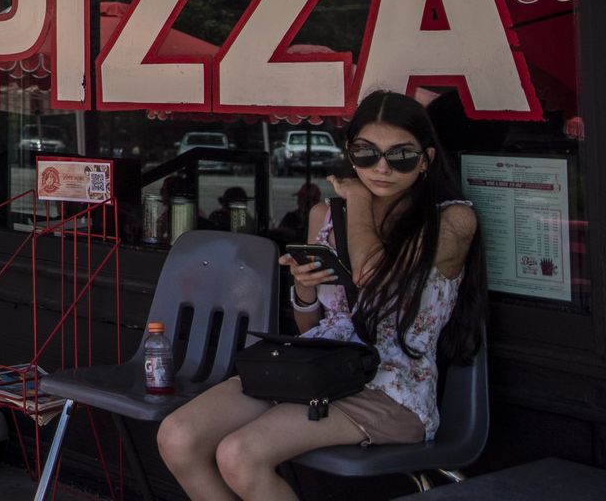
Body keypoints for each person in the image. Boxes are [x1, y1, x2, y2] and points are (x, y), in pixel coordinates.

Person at [157, 91, 486, 500]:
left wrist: (359, 200)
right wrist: (305, 289)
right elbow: (314, 324)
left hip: (392, 389)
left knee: (240, 455)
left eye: (399, 155)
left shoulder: (451, 220)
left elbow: (371, 275)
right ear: (350, 153)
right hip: (319, 368)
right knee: (178, 436)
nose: (381, 168)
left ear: (427, 159)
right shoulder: (324, 216)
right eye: (366, 153)